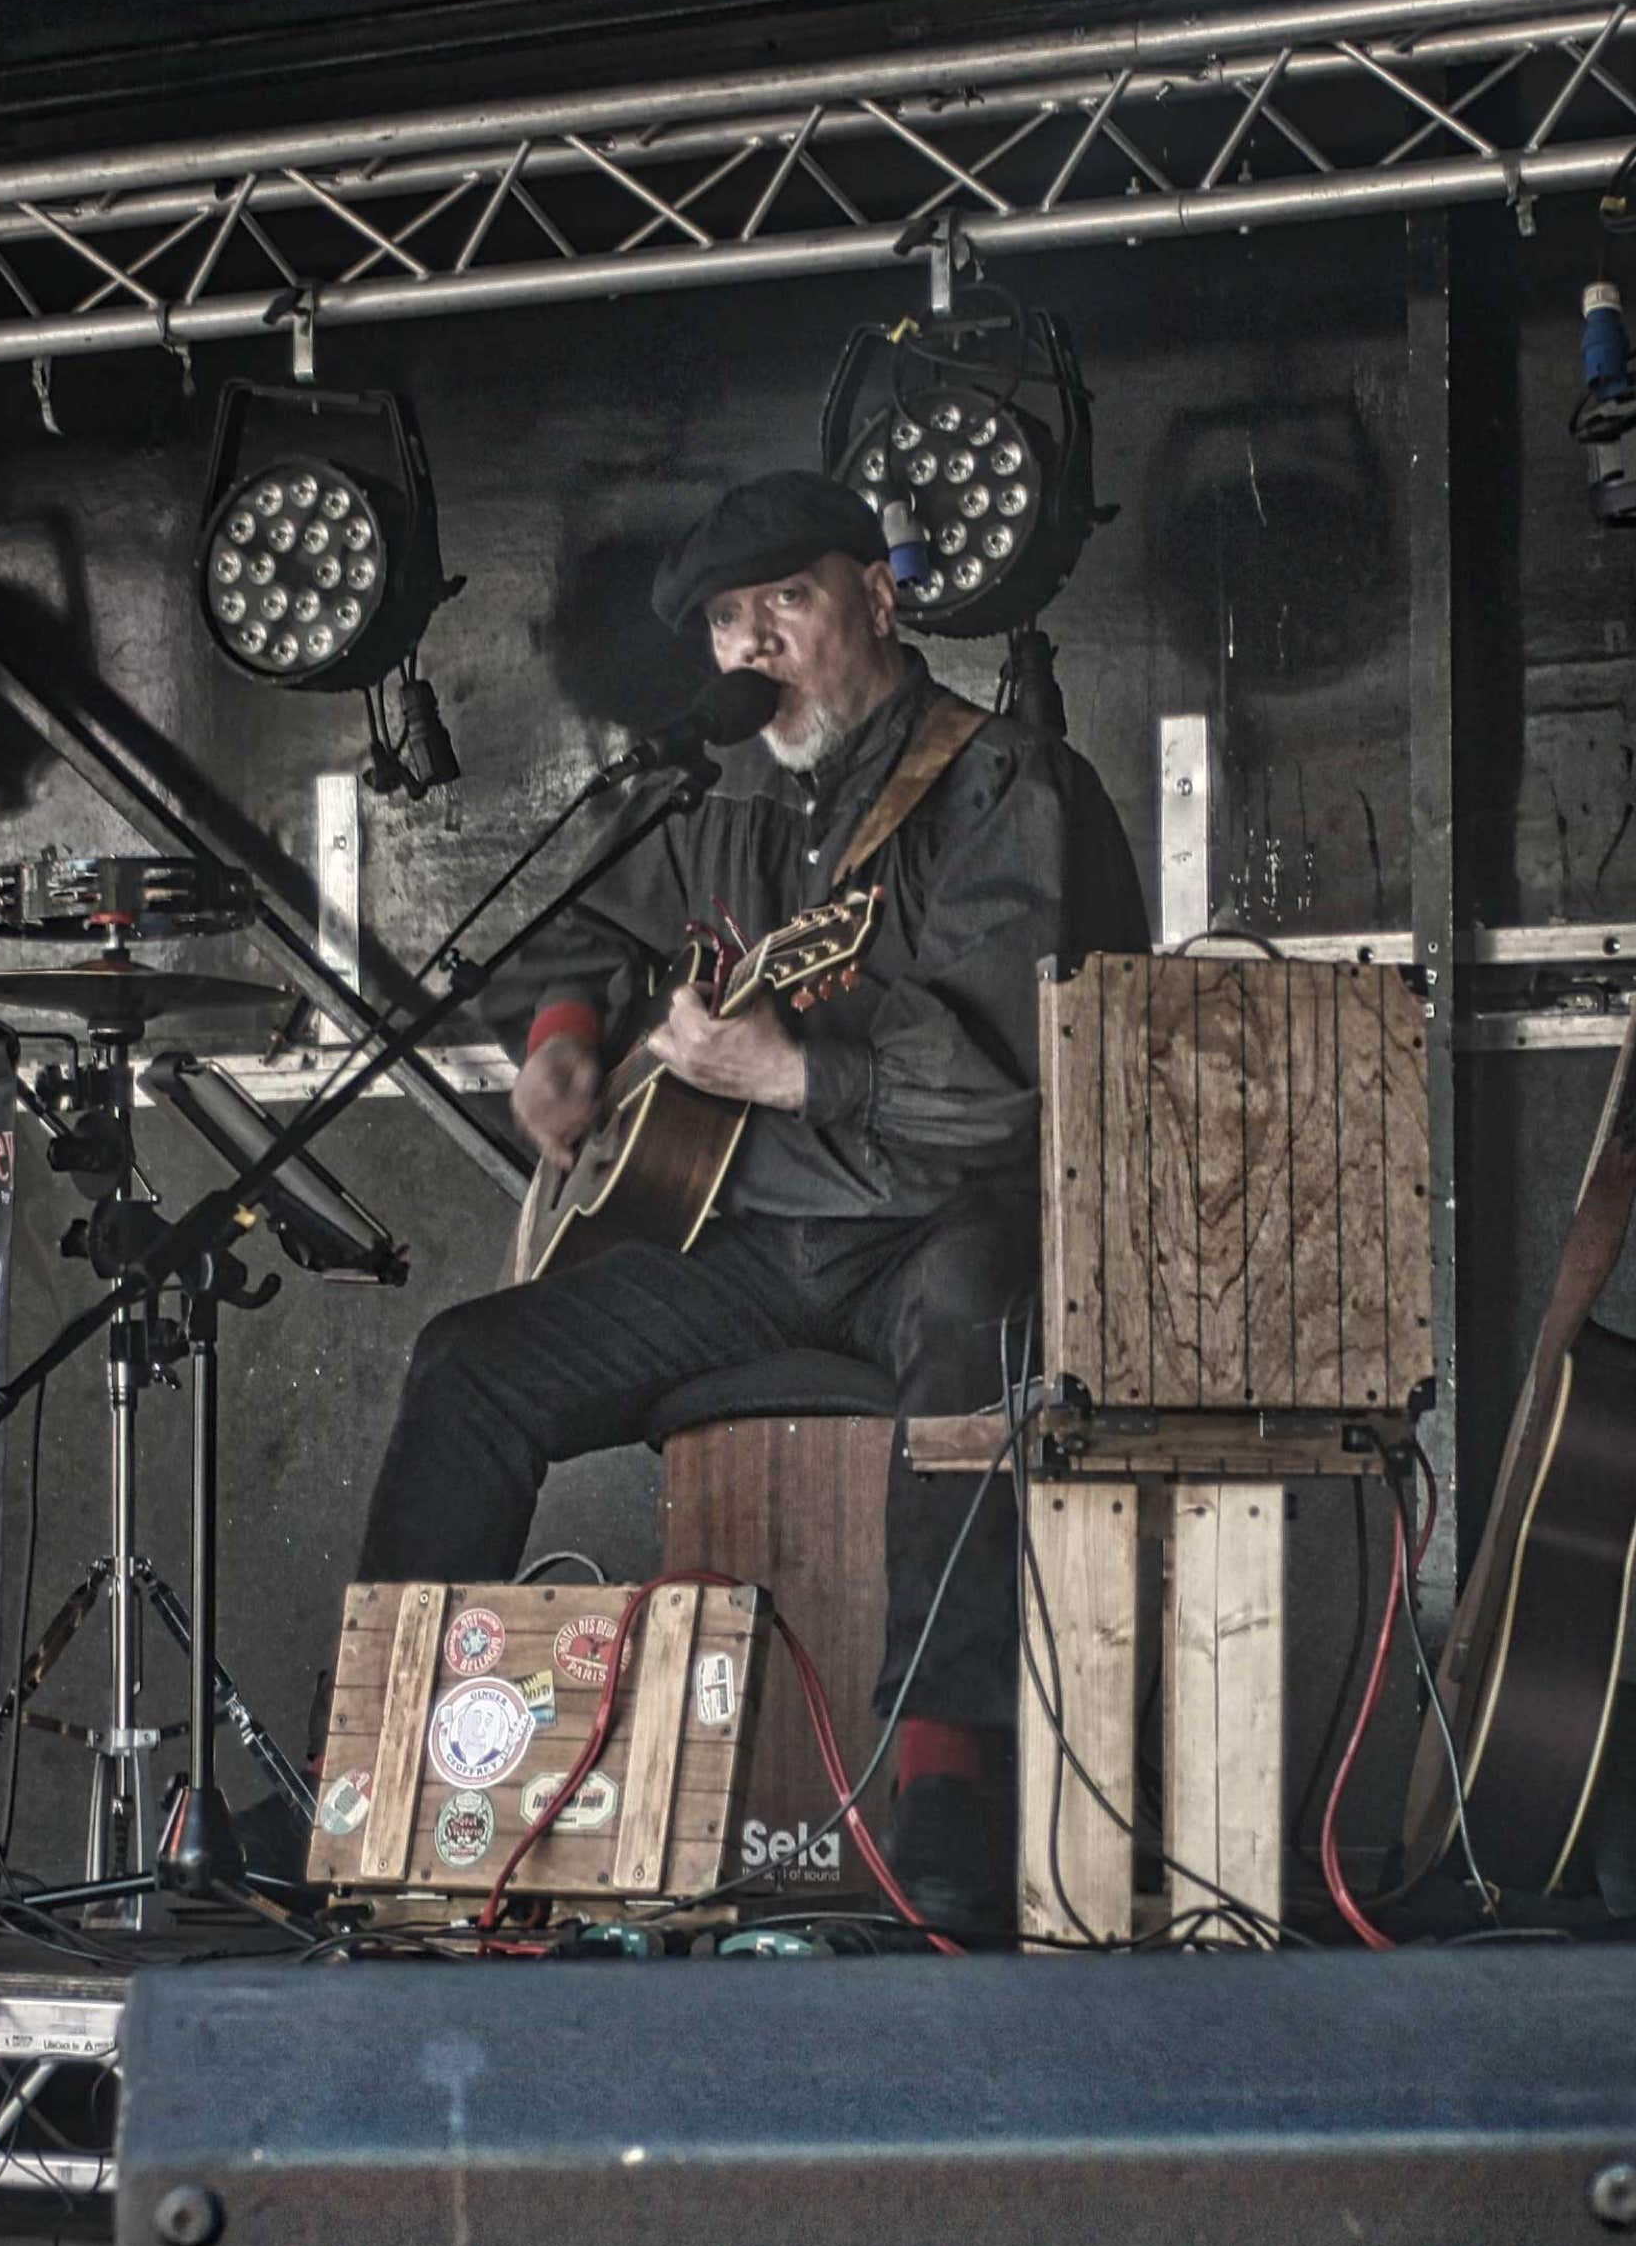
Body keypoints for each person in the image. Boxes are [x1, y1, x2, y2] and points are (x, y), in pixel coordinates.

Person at [358, 469, 1147, 1931]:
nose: (754, 639)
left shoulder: (999, 784)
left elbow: (1008, 1079)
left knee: (980, 1305)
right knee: (470, 1365)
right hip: (749, 1247)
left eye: (788, 596)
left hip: (935, 1224)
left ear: (880, 596)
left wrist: (798, 1074)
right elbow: (575, 932)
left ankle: (948, 1778)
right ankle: (402, 1782)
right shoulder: (713, 814)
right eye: (728, 617)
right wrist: (560, 1049)